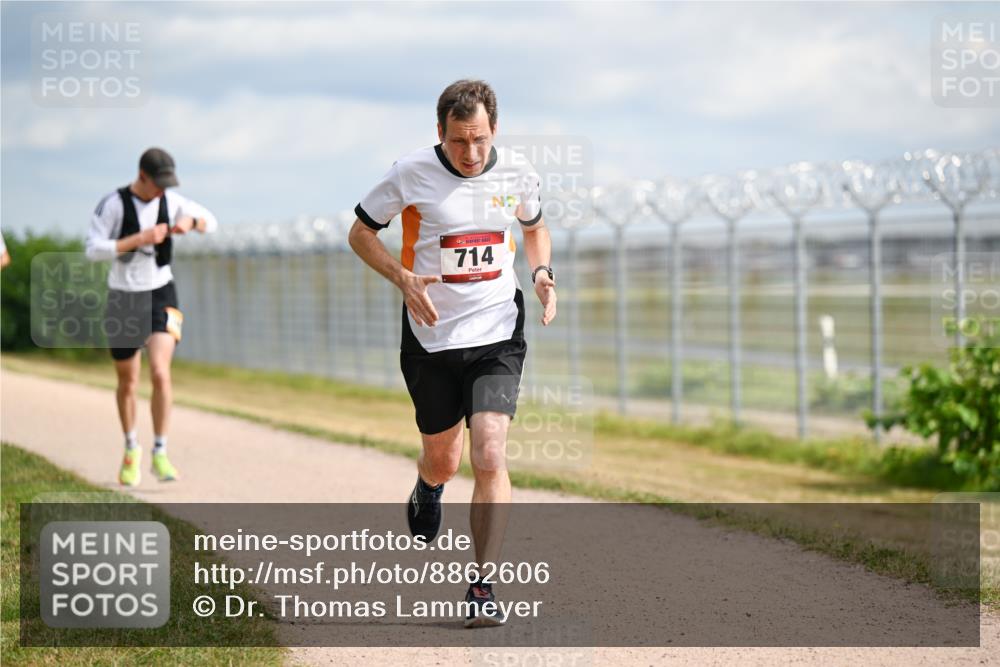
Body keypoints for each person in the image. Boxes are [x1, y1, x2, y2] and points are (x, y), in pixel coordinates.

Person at [349, 80, 557, 627]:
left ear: (495, 131)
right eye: (460, 140)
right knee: (445, 457)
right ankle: (430, 482)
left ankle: (483, 585)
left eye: (481, 140)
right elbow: (360, 233)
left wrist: (541, 273)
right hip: (432, 336)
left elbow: (535, 229)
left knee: (489, 452)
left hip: (496, 332)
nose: (471, 153)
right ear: (440, 133)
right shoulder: (411, 172)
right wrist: (401, 277)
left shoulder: (518, 172)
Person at [85, 147, 217, 486]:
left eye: (166, 184)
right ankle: (132, 448)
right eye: (157, 184)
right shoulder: (112, 204)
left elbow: (209, 221)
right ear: (141, 176)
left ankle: (160, 450)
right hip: (123, 298)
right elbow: (92, 249)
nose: (162, 190)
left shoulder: (172, 203)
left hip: (161, 293)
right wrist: (139, 239)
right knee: (128, 381)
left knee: (160, 372)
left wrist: (191, 222)